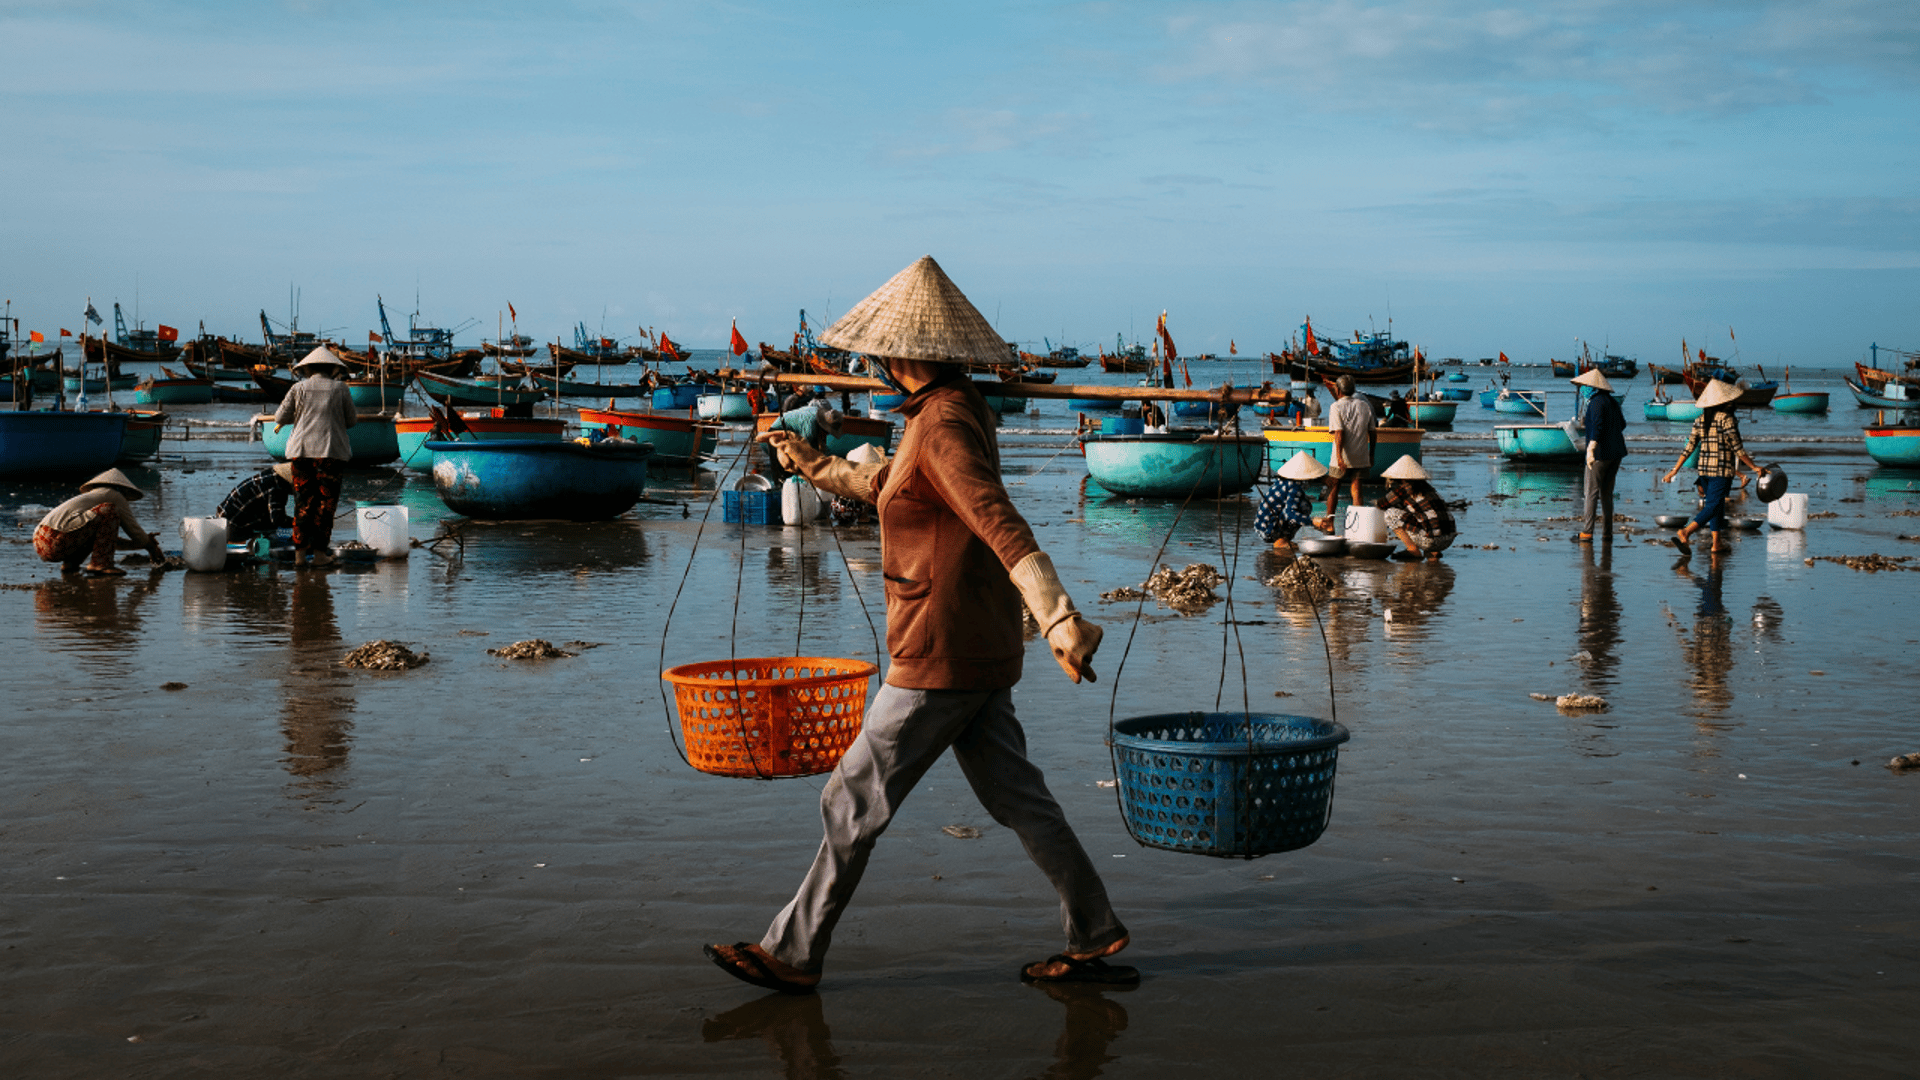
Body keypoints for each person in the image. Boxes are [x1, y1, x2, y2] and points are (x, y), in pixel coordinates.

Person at [713, 255, 1128, 994]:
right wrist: (811, 462)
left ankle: (794, 953)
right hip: (979, 648)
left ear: (897, 354)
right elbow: (890, 485)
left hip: (937, 652)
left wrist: (1060, 616)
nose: (870, 362)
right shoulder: (947, 410)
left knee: (850, 797)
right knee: (1019, 799)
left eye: (877, 353)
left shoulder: (942, 425)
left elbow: (993, 517)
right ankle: (1095, 930)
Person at [273, 347, 358, 568]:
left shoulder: (298, 388)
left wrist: (302, 414)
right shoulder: (341, 389)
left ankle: (300, 557)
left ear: (307, 368)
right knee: (325, 505)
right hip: (331, 453)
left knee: (303, 503)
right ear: (332, 368)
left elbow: (280, 416)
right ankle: (320, 555)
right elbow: (351, 421)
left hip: (301, 453)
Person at [1662, 379, 1760, 557]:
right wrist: (1754, 467)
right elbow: (1738, 449)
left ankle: (1717, 543)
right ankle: (1686, 532)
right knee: (1714, 506)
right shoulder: (1727, 420)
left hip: (1704, 472)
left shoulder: (1700, 420)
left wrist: (1675, 469)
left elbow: (1689, 448)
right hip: (1721, 471)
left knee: (1716, 505)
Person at [33, 468, 166, 576]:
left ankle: (70, 564)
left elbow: (105, 540)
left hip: (41, 541)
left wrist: (142, 544)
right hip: (57, 539)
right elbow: (134, 530)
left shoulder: (92, 498)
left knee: (90, 525)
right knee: (109, 510)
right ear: (122, 488)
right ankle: (101, 564)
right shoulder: (114, 495)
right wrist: (150, 546)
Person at [1570, 369, 1627, 543]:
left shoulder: (1595, 403)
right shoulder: (1612, 402)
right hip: (1616, 453)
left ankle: (1587, 533)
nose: (1582, 390)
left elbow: (1597, 426)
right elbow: (1622, 424)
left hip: (1600, 454)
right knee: (1607, 494)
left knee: (1591, 493)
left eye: (1584, 386)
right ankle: (1607, 533)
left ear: (1592, 387)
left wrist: (1591, 448)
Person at [1376, 455, 1456, 561]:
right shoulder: (1429, 488)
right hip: (1448, 539)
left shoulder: (1403, 489)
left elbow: (1381, 505)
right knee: (1427, 517)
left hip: (1430, 541)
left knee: (1390, 514)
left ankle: (1413, 550)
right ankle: (1434, 553)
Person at [1321, 375, 1374, 530]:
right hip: (1361, 455)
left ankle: (1330, 523)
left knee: (1334, 487)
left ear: (1338, 391)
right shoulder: (1364, 406)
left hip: (1342, 456)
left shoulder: (1336, 406)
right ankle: (1358, 526)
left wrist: (1339, 457)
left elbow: (1339, 433)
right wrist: (1371, 454)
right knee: (1356, 489)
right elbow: (1373, 432)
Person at [1256, 452, 1326, 552]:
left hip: (1262, 526)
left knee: (1303, 503)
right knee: (1305, 506)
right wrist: (1313, 521)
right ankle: (1280, 540)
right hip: (1269, 529)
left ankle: (1281, 538)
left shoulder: (1285, 482)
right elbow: (1289, 513)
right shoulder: (1294, 487)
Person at [215, 463, 296, 545]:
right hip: (232, 523)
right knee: (273, 527)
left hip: (224, 515)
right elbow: (278, 519)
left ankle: (252, 546)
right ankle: (246, 546)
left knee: (269, 522)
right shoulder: (278, 487)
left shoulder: (270, 475)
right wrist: (300, 523)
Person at [761, 403, 843, 483]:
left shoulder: (818, 414)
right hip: (778, 431)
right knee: (783, 469)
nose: (827, 434)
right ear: (823, 427)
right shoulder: (810, 427)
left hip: (792, 431)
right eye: (827, 432)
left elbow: (817, 450)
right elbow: (803, 452)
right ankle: (780, 489)